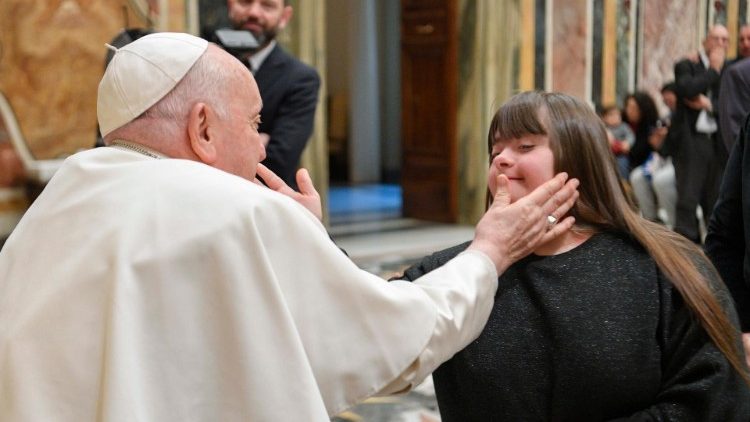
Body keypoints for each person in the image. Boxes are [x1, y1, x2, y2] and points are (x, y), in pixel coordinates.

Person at [0, 33, 580, 421]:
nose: (261, 144)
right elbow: (393, 343)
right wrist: (489, 251)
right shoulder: (242, 211)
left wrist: (302, 248)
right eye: (254, 122)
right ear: (202, 127)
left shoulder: (57, 203)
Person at [395, 91, 750, 421]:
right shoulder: (451, 272)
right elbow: (374, 341)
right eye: (495, 151)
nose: (502, 158)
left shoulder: (666, 266)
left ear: (579, 159)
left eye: (524, 145)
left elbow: (715, 398)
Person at [226, 0, 319, 188]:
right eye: (245, 2)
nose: (253, 12)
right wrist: (255, 143)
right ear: (230, 6)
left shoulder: (301, 79)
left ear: (284, 17)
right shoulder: (204, 62)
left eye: (267, 5)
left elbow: (279, 163)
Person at [671, 24, 729, 243]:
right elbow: (687, 90)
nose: (720, 44)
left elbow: (731, 105)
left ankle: (713, 255)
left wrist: (709, 105)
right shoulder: (687, 64)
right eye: (716, 38)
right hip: (692, 141)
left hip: (717, 142)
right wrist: (713, 71)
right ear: (706, 41)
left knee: (714, 201)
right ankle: (685, 258)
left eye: (725, 40)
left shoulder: (731, 69)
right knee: (687, 200)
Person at [629, 83, 678, 227]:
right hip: (662, 160)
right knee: (637, 176)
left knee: (661, 180)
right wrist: (658, 143)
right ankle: (651, 222)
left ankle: (673, 225)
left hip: (679, 161)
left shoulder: (684, 116)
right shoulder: (665, 118)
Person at [599, 104, 634, 179]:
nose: (615, 117)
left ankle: (624, 182)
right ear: (604, 118)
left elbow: (631, 136)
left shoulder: (623, 126)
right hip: (607, 154)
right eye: (611, 115)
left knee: (622, 163)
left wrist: (627, 143)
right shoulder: (603, 128)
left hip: (620, 154)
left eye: (618, 115)